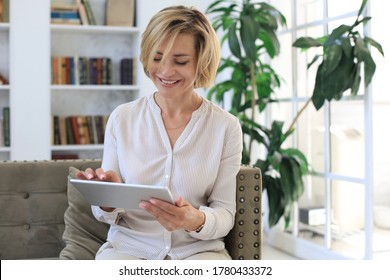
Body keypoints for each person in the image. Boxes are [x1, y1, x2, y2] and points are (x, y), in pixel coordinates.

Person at [76, 5, 243, 260]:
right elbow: (105, 214)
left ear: (202, 61)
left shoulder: (225, 127)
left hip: (197, 252)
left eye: (180, 61)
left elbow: (224, 214)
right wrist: (107, 198)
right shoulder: (123, 118)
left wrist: (194, 219)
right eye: (157, 58)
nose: (165, 71)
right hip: (129, 249)